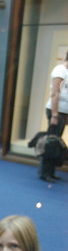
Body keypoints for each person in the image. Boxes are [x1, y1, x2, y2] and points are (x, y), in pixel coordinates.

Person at [39, 51, 68, 182]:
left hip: (63, 113)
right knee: (51, 144)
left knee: (55, 144)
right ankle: (45, 173)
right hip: (56, 112)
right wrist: (55, 115)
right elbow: (55, 94)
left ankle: (51, 171)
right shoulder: (60, 70)